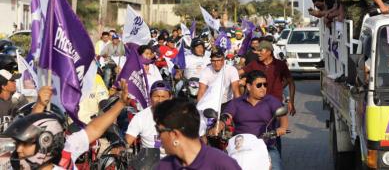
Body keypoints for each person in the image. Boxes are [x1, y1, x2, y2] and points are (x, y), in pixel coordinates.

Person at [3, 80, 131, 169]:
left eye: (24, 143)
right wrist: (40, 104)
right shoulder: (15, 164)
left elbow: (94, 129)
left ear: (46, 140)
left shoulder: (67, 149)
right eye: (18, 143)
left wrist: (121, 104)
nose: (18, 149)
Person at [222, 70, 289, 170]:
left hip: (266, 145)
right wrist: (220, 124)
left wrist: (282, 127)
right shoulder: (237, 102)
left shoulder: (271, 100)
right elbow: (227, 116)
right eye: (259, 85)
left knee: (275, 167)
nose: (263, 88)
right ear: (249, 87)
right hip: (240, 147)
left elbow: (282, 115)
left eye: (265, 85)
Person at [153, 99, 241, 169]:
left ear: (174, 134)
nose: (159, 137)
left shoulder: (223, 165)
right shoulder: (163, 166)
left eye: (159, 131)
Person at [241, 41, 296, 116]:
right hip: (257, 103)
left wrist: (291, 102)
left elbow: (291, 82)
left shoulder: (280, 65)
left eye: (260, 51)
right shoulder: (254, 64)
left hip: (275, 103)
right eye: (257, 51)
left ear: (269, 52)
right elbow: (240, 72)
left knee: (274, 126)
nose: (257, 53)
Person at [126, 81, 173, 157]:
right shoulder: (140, 117)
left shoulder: (180, 116)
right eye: (156, 96)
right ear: (150, 97)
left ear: (170, 98)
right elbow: (127, 141)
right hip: (149, 162)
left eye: (163, 97)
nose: (160, 100)